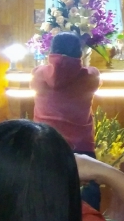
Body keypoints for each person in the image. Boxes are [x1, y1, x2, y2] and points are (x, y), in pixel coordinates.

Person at [31, 32, 102, 208]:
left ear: (51, 51)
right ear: (80, 53)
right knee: (86, 205)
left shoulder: (38, 74)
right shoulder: (90, 76)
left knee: (46, 201)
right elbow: (95, 75)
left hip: (45, 145)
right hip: (81, 147)